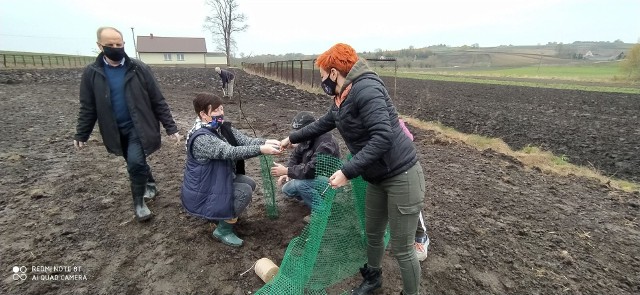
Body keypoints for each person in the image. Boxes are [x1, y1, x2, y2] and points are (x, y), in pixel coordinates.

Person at [279, 43, 426, 295]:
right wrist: (290, 139)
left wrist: (347, 172)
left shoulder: (366, 89)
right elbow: (324, 123)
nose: (322, 80)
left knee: (402, 248)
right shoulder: (343, 95)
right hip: (376, 177)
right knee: (373, 234)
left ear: (334, 72)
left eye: (323, 75)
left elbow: (383, 137)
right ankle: (373, 279)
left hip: (401, 176)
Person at [73, 26, 181, 222]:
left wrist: (170, 127)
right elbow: (88, 106)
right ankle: (149, 183)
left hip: (138, 127)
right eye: (110, 45)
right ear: (100, 46)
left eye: (119, 44)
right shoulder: (92, 73)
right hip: (113, 129)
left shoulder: (139, 69)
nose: (115, 47)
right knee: (133, 161)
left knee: (135, 162)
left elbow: (158, 100)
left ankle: (139, 203)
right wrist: (82, 133)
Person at [181, 93, 281, 247]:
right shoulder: (202, 138)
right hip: (203, 189)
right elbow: (229, 151)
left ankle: (220, 214)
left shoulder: (220, 128)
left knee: (249, 183)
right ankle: (223, 231)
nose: (220, 113)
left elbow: (245, 141)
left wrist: (267, 141)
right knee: (244, 192)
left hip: (215, 180)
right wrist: (262, 149)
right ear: (203, 114)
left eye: (221, 108)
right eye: (215, 110)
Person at [270, 111, 341, 211]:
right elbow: (295, 156)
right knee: (287, 190)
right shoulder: (306, 139)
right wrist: (288, 169)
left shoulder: (326, 143)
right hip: (314, 178)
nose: (298, 134)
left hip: (330, 181)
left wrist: (287, 171)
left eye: (300, 131)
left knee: (300, 185)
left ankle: (321, 211)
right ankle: (315, 198)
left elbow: (312, 170)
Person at [399, 118, 431, 262]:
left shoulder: (391, 119)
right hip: (377, 167)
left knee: (410, 200)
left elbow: (409, 138)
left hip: (402, 166)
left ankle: (421, 236)